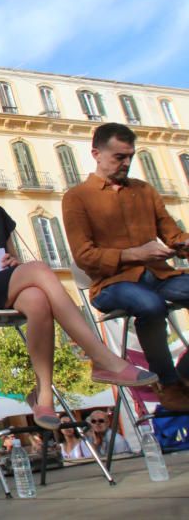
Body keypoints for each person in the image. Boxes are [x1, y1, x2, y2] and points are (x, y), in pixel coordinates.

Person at [0, 146, 156, 430]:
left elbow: (14, 259)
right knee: (41, 270)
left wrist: (13, 260)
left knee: (37, 300)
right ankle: (101, 357)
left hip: (2, 286)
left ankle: (43, 395)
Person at [62, 122, 189, 410]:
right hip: (111, 285)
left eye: (130, 156)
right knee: (151, 305)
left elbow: (173, 234)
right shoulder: (77, 197)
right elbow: (84, 256)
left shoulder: (145, 191)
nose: (127, 163)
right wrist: (134, 254)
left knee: (155, 298)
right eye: (119, 157)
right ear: (96, 153)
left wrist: (184, 243)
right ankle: (169, 384)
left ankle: (183, 375)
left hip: (159, 274)